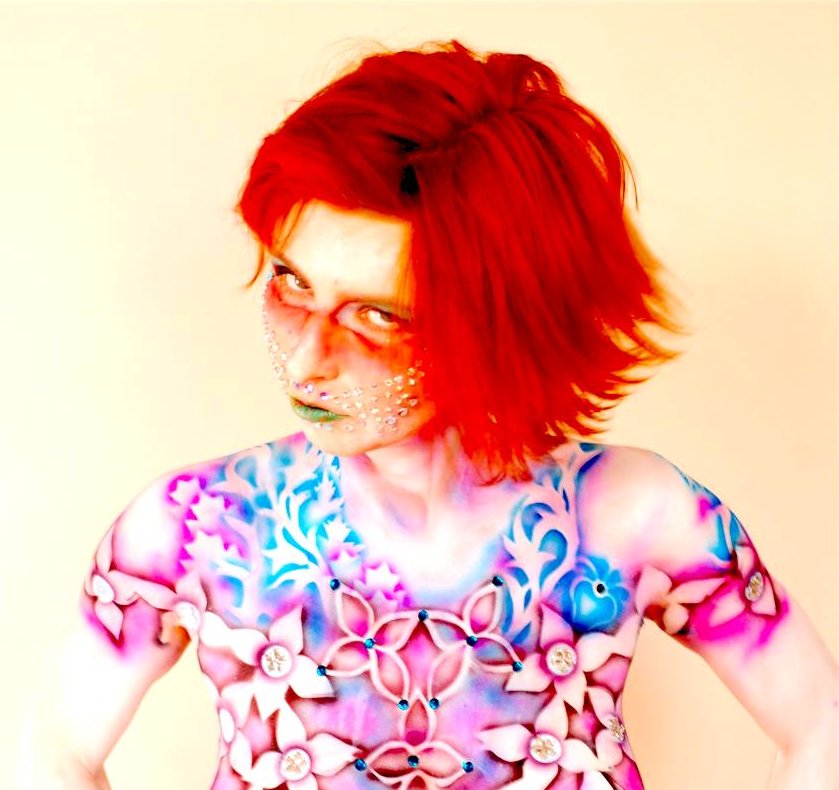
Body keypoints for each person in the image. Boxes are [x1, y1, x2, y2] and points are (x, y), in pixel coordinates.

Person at [22, 39, 837, 790]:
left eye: (377, 316)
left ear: (505, 323)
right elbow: (57, 748)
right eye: (291, 282)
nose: (307, 360)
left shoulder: (633, 513)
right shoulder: (198, 525)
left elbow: (821, 726)